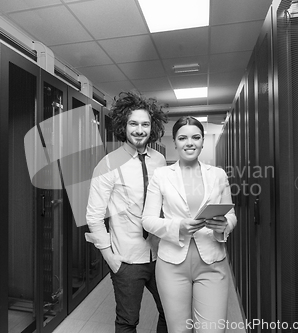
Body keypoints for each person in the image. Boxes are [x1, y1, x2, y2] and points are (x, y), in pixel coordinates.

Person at [142, 116, 237, 333]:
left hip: (212, 263)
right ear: (174, 142)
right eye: (183, 138)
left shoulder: (218, 175)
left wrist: (225, 225)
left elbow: (231, 214)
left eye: (196, 137)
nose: (190, 142)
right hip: (172, 265)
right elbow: (147, 220)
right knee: (179, 330)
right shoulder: (161, 175)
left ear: (203, 141)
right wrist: (178, 227)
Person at [85, 91, 168, 333]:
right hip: (127, 260)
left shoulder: (160, 160)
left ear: (152, 127)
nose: (140, 130)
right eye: (134, 123)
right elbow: (94, 216)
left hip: (160, 254)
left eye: (145, 124)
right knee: (127, 322)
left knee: (170, 312)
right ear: (124, 125)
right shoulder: (108, 164)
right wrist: (111, 259)